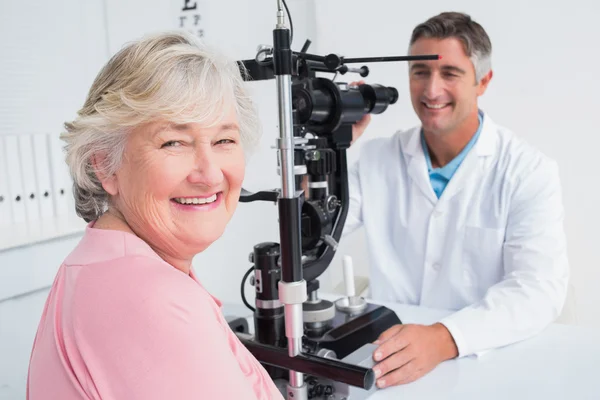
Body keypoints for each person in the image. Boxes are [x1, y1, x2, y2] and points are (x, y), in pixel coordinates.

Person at [26, 31, 283, 400]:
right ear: (105, 165)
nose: (210, 174)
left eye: (224, 140)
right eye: (173, 142)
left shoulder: (103, 266)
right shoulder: (149, 300)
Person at [346, 12, 570, 388]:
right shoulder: (373, 159)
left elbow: (538, 289)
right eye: (420, 71)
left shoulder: (528, 171)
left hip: (484, 362)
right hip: (385, 358)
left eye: (450, 73)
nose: (432, 90)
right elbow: (310, 240)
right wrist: (333, 148)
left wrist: (444, 337)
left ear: (483, 81)